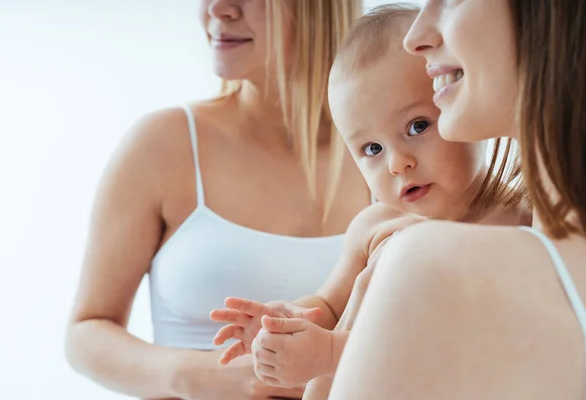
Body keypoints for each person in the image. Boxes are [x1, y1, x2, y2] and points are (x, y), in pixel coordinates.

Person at [209, 3, 531, 396]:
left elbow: (468, 346)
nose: (398, 163)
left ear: (458, 103)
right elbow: (328, 307)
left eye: (417, 126)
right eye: (372, 149)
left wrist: (330, 353)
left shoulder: (516, 223)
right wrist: (288, 323)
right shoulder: (373, 227)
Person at [63, 1, 369, 399]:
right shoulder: (164, 144)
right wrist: (203, 375)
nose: (217, 9)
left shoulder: (387, 158)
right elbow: (85, 333)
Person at [329, 0, 586, 398]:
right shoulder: (388, 236)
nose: (416, 35)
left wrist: (327, 361)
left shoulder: (426, 260)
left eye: (450, 0)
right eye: (371, 149)